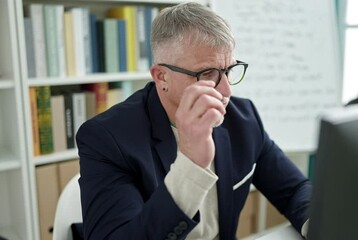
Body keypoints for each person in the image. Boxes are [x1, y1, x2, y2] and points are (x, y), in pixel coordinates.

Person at [76, 2, 311, 239]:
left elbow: (295, 190)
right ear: (162, 76)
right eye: (207, 74)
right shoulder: (107, 138)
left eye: (228, 70)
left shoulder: (243, 119)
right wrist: (191, 163)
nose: (226, 90)